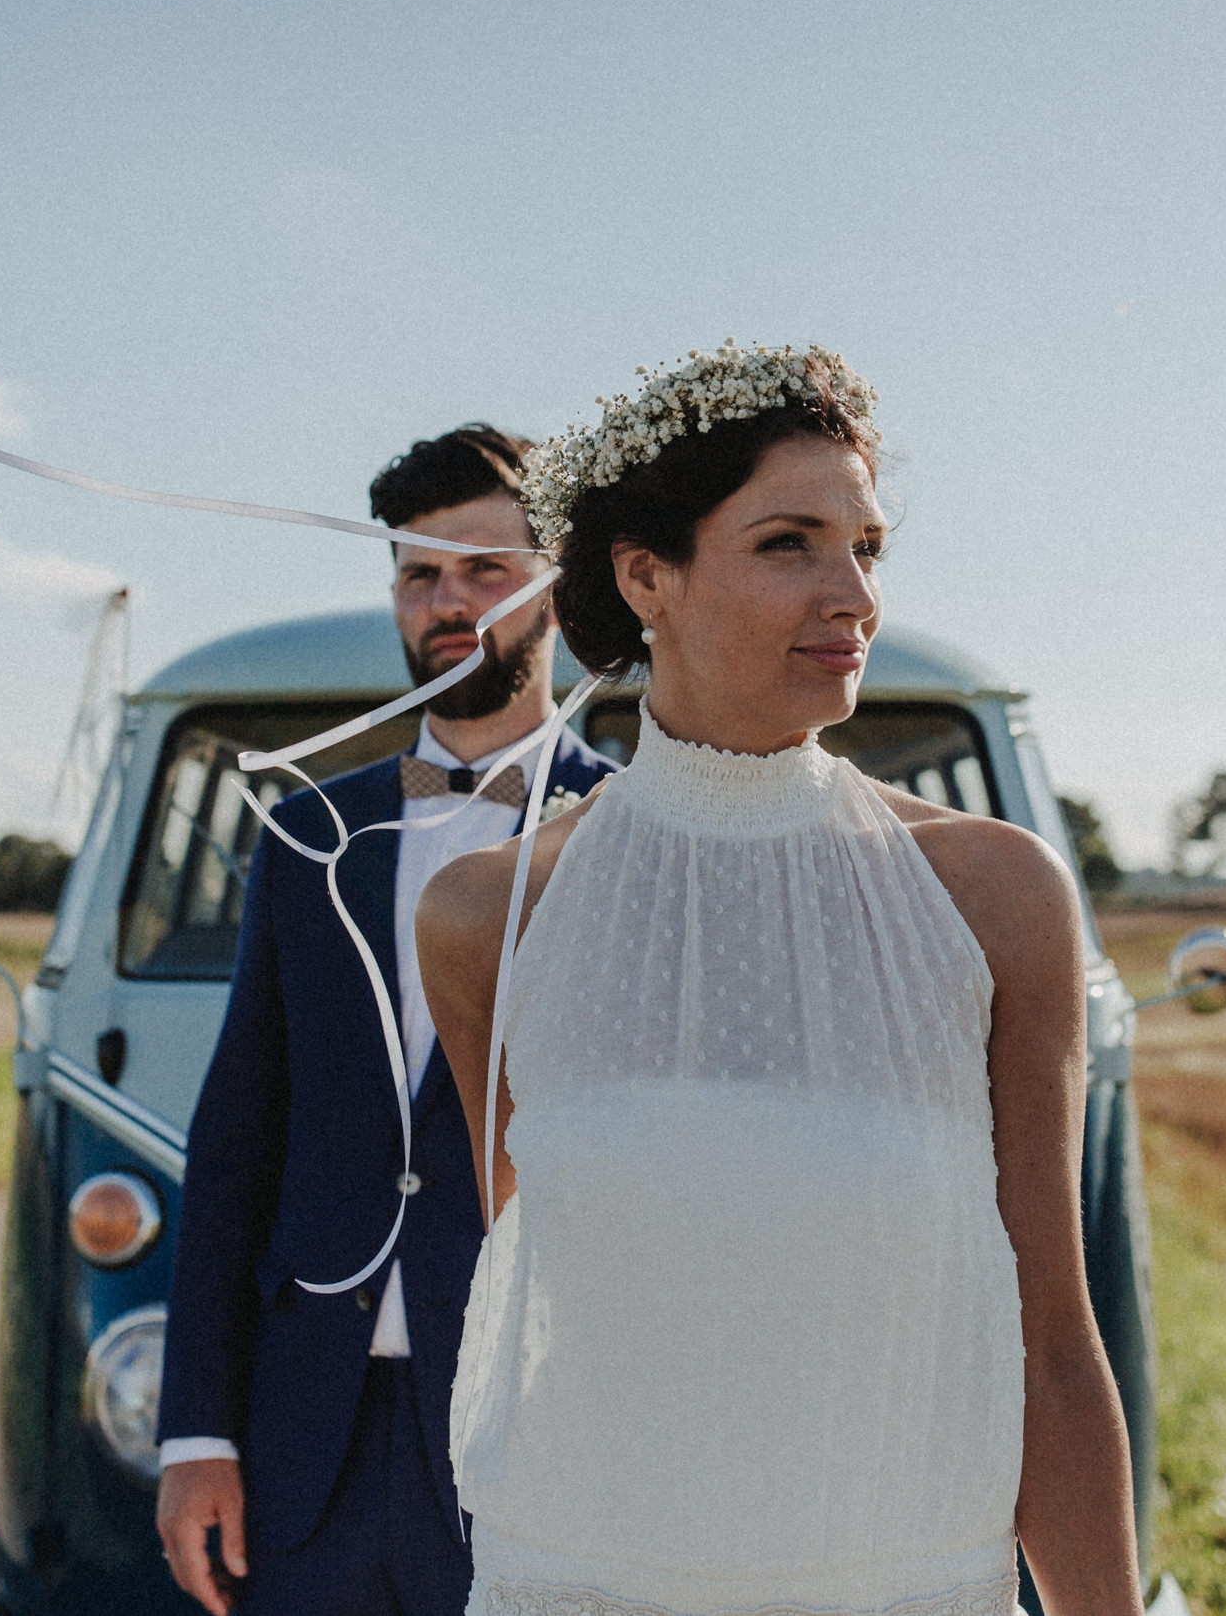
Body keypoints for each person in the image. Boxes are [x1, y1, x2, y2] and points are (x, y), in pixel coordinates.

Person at [416, 346, 1147, 1616]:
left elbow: (1051, 1347)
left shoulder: (992, 895)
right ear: (646, 575)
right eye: (789, 544)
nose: (853, 593)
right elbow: (555, 1303)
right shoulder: (488, 917)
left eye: (866, 546)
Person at [158, 424, 621, 1616]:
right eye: (418, 575)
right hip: (305, 1436)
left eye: (481, 568)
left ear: (556, 588)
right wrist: (194, 1432)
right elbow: (235, 1140)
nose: (446, 600)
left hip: (538, 1441)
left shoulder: (635, 835)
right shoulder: (306, 830)